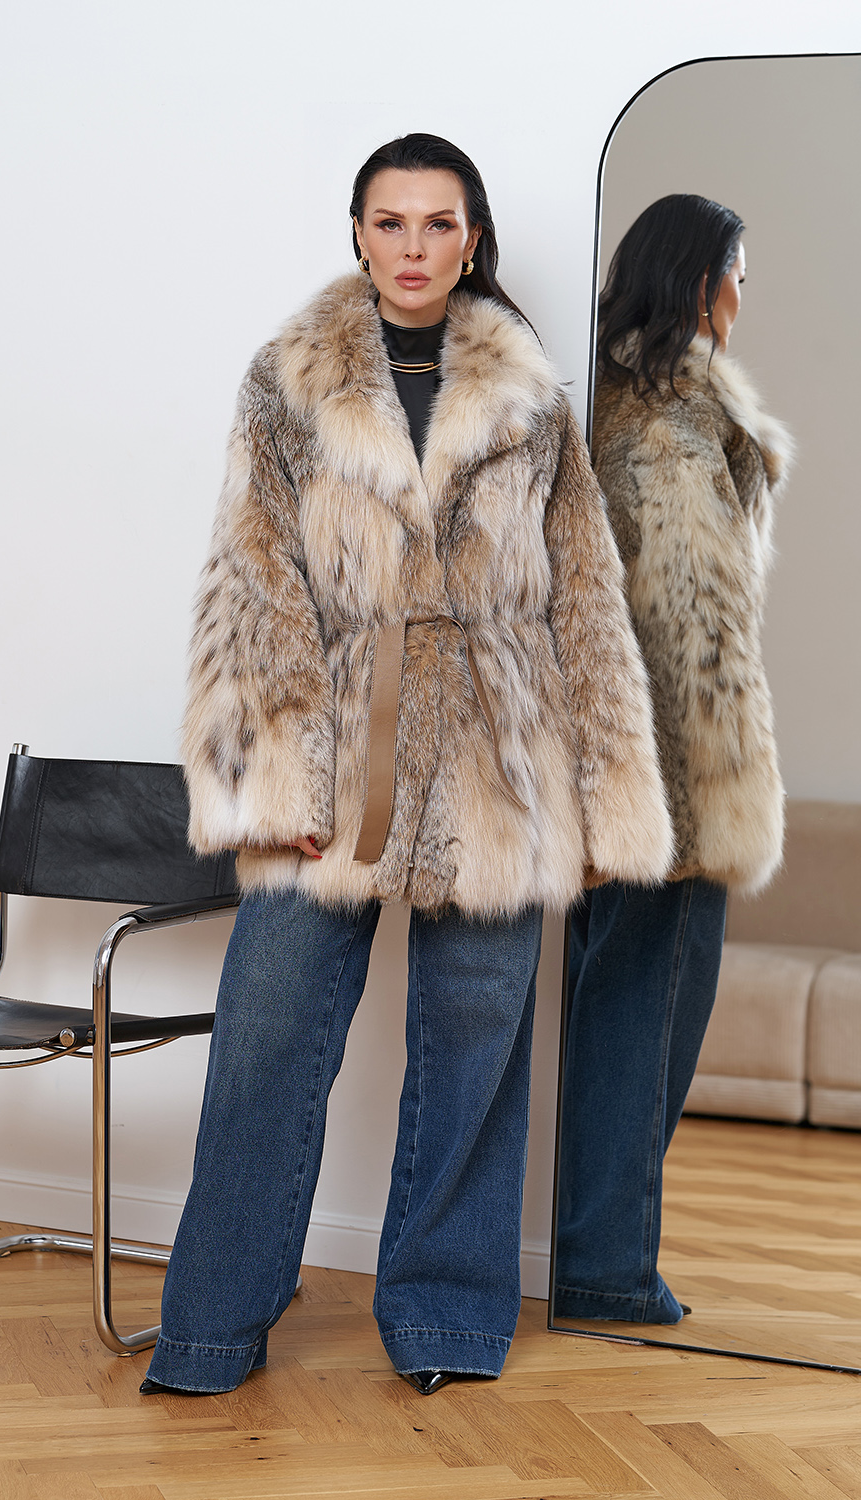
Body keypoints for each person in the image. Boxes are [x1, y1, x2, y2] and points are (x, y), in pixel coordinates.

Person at [142, 133, 672, 1399]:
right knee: (268, 1033)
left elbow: (585, 597)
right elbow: (251, 577)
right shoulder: (288, 381)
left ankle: (443, 1320)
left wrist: (604, 801)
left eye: (439, 224)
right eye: (391, 222)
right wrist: (281, 780)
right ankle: (211, 1327)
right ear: (358, 232)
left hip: (502, 756)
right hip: (339, 736)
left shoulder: (535, 398)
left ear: (472, 238)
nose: (415, 247)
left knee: (473, 1049)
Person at [554, 194, 792, 1325]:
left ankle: (581, 1253)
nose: (746, 295)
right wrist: (698, 809)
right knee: (642, 1026)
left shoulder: (609, 409)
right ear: (702, 284)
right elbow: (691, 638)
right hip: (671, 792)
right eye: (740, 273)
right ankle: (603, 1268)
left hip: (615, 780)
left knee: (608, 1014)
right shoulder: (671, 429)